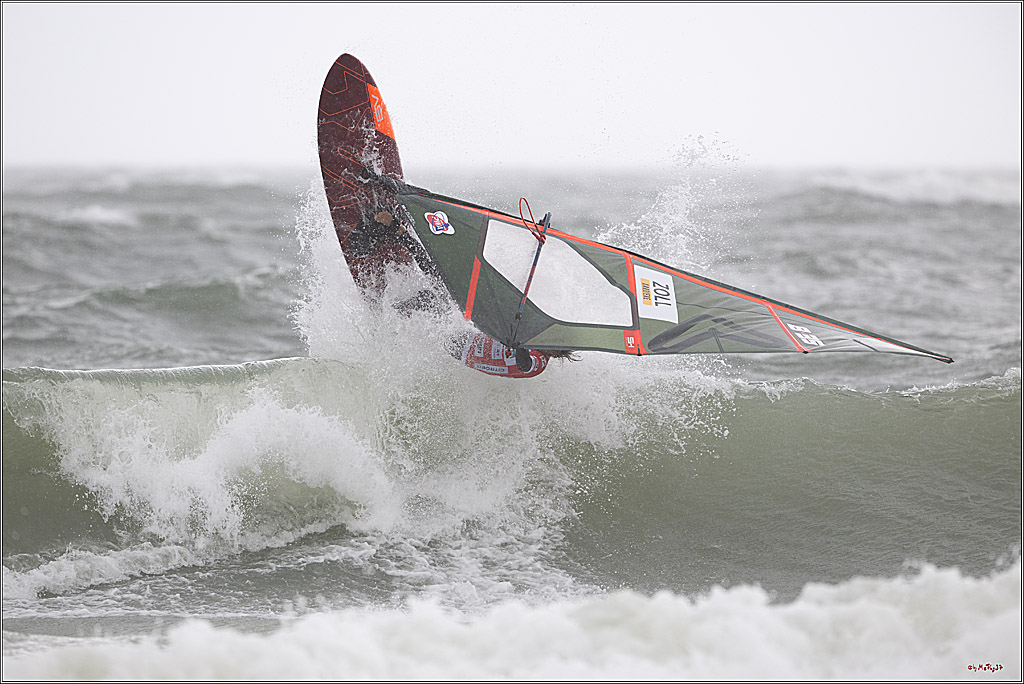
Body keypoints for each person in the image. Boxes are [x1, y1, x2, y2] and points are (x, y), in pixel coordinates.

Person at [353, 207, 568, 379]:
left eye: (554, 345)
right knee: (441, 285)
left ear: (557, 354)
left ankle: (390, 300)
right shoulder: (532, 334)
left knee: (436, 295)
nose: (547, 339)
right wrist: (533, 246)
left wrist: (520, 343)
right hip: (473, 327)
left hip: (461, 346)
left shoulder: (537, 363)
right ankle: (401, 241)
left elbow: (523, 363)